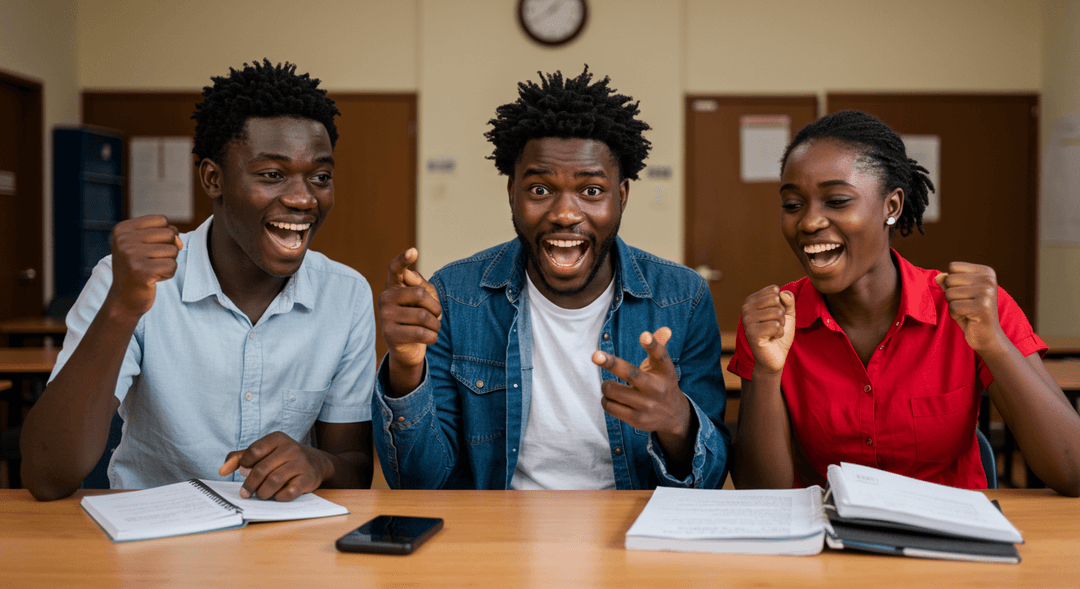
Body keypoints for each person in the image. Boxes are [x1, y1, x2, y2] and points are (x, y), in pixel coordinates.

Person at [21, 60, 377, 501]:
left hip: (285, 548)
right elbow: (47, 475)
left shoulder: (345, 294)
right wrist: (123, 307)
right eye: (272, 175)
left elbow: (354, 469)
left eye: (320, 177)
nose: (303, 197)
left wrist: (319, 462)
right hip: (153, 547)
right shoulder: (128, 280)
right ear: (214, 178)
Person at [375, 67, 729, 490]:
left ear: (623, 196)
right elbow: (419, 484)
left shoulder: (682, 297)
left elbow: (708, 482)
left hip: (631, 538)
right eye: (540, 190)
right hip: (497, 539)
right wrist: (406, 367)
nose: (565, 213)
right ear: (512, 193)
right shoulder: (455, 295)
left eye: (592, 191)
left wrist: (678, 423)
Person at [729, 109, 1080, 496]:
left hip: (951, 543)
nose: (810, 222)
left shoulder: (969, 309)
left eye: (837, 201)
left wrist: (993, 343)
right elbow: (759, 494)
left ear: (891, 207)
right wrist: (765, 371)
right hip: (829, 548)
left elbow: (1073, 471)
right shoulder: (775, 323)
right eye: (793, 205)